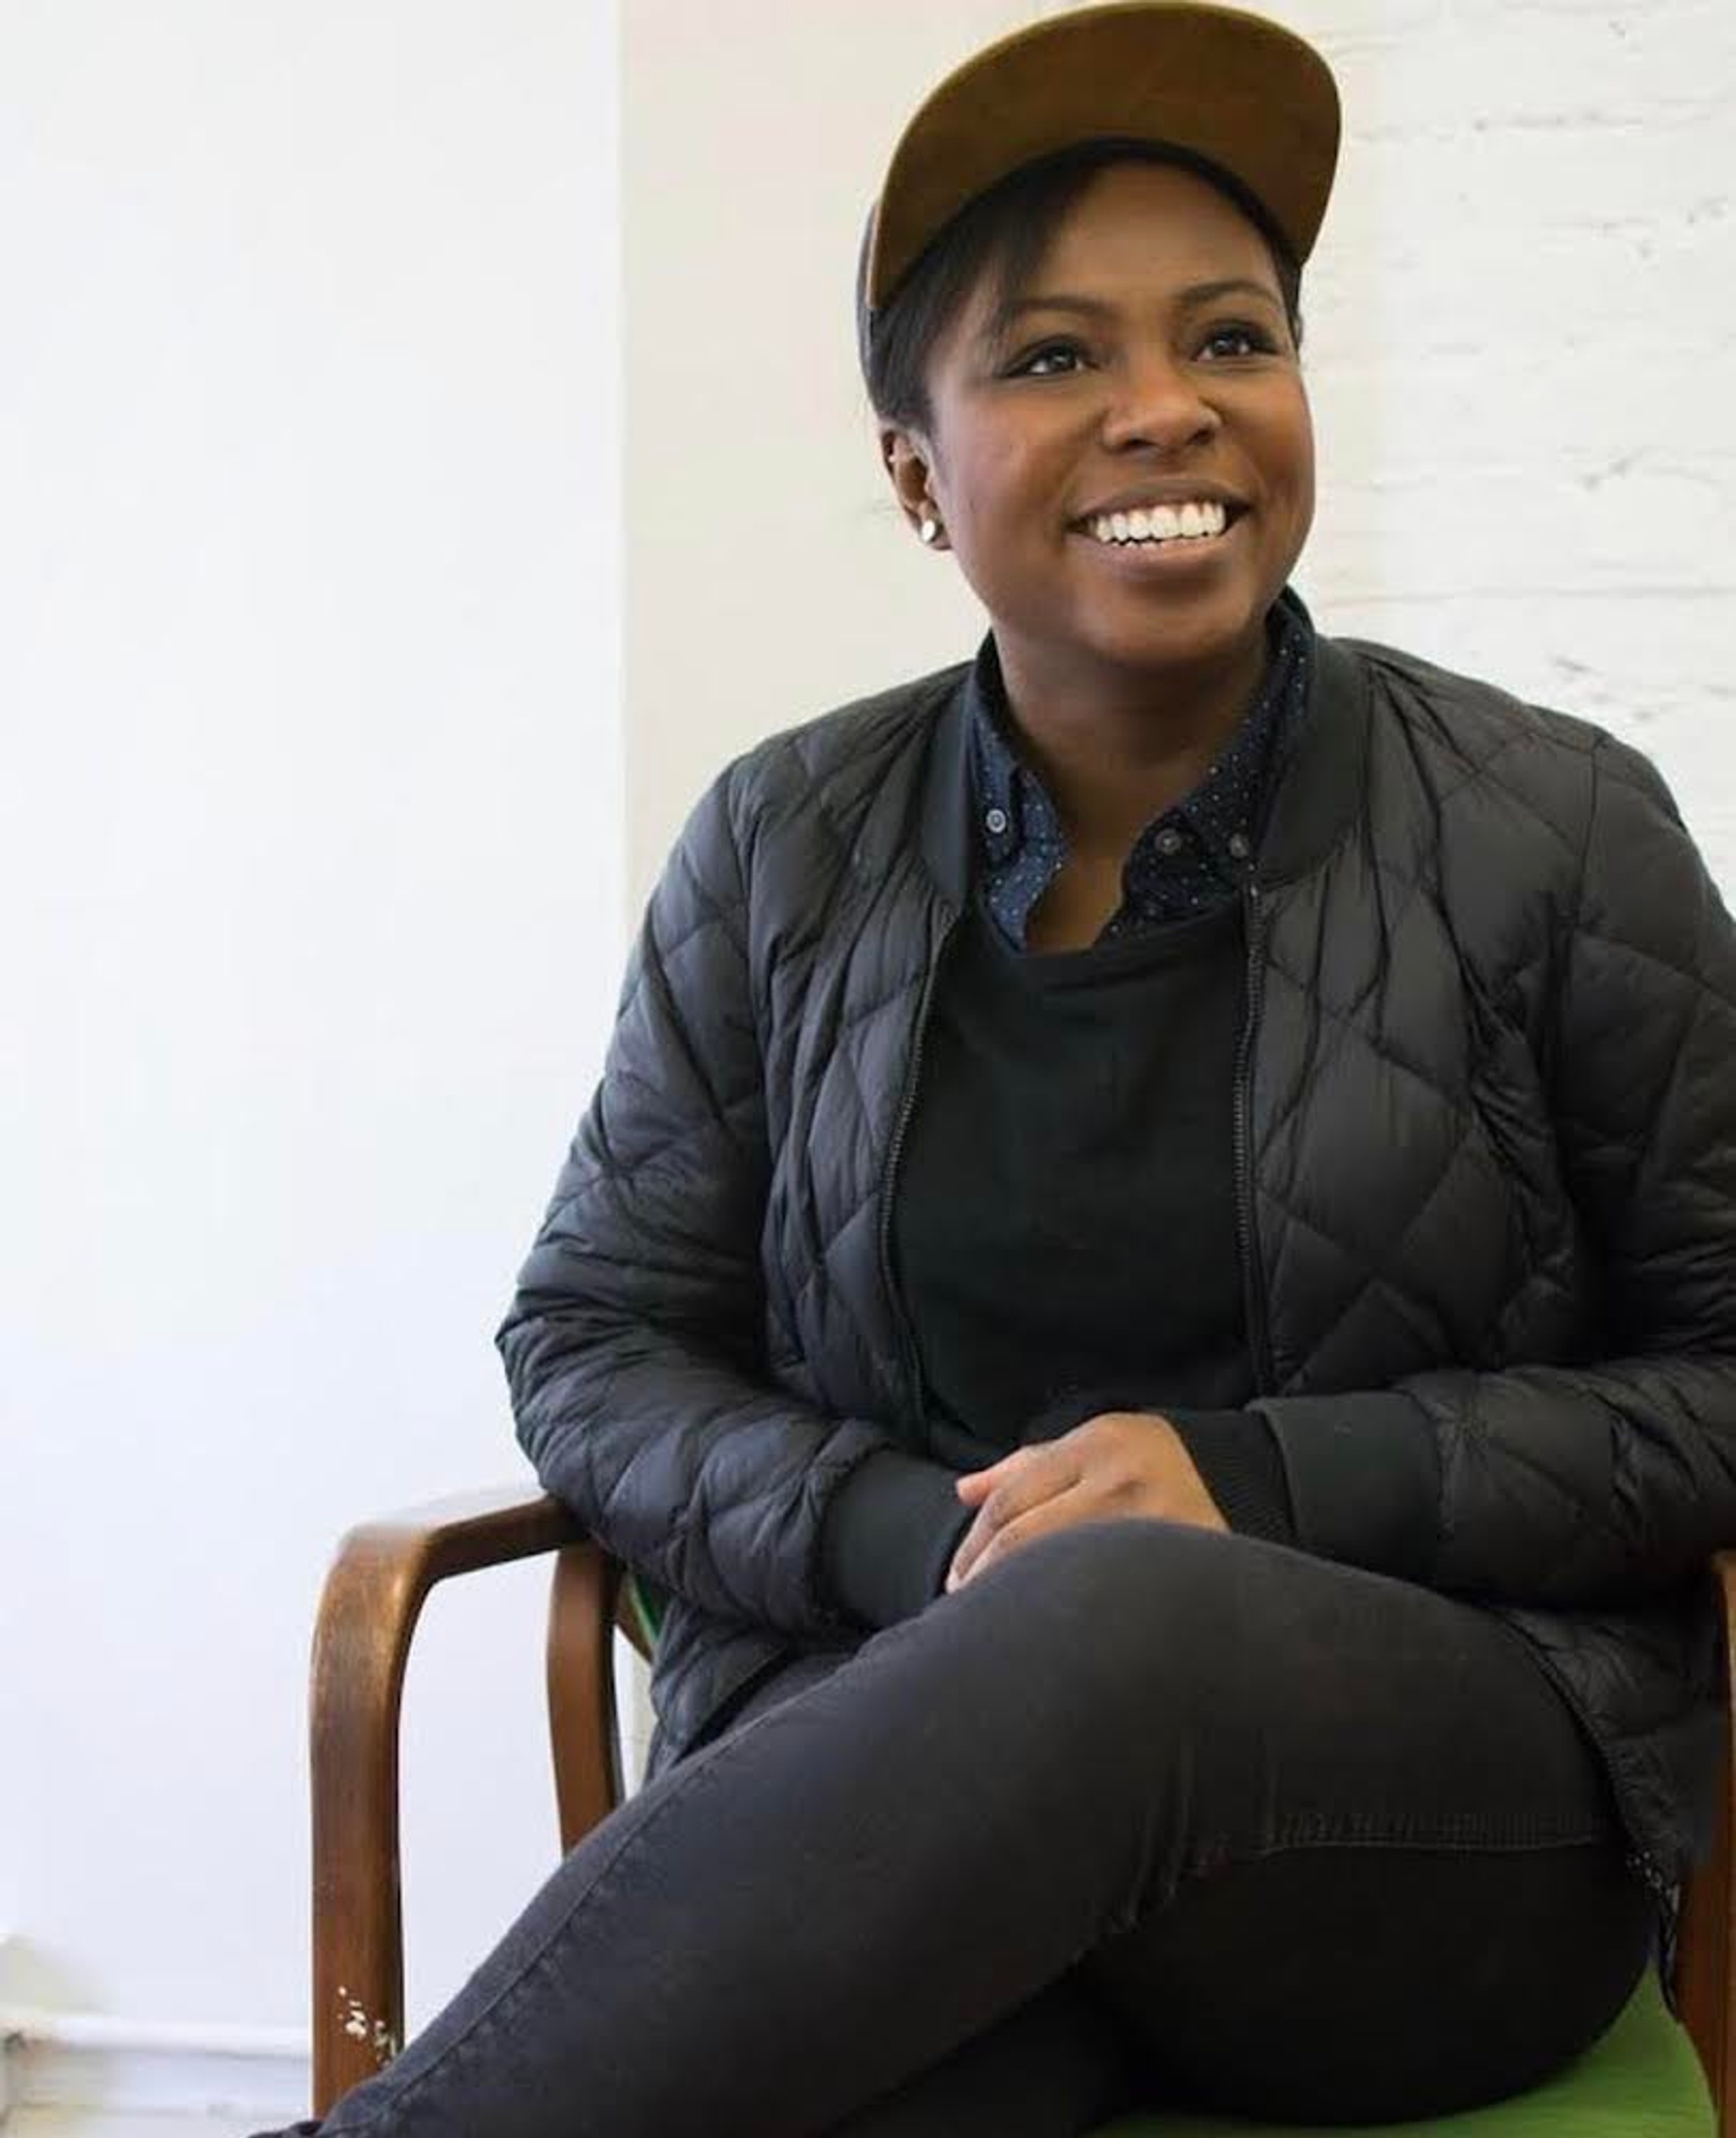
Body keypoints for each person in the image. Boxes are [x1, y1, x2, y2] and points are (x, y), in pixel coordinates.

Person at [258, 4, 1736, 2132]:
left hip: (1432, 1840)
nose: (1164, 409)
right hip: (910, 1788)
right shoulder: (784, 840)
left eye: (1229, 339)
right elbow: (591, 1335)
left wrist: (1258, 1484)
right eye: (1051, 359)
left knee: (1128, 1617)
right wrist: (907, 1545)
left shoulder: (1550, 824)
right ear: (911, 475)